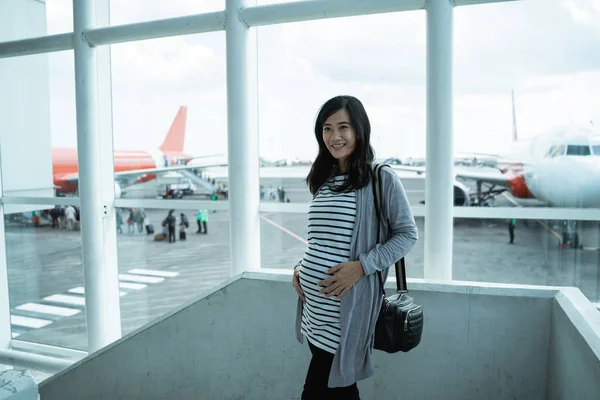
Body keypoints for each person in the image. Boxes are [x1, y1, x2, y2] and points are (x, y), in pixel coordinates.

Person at [291, 95, 418, 399]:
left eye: (343, 127)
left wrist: (361, 267)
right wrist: (300, 268)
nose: (334, 137)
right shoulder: (325, 178)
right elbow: (322, 237)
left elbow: (407, 234)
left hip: (345, 317)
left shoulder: (380, 177)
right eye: (326, 128)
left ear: (359, 130)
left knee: (322, 390)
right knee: (339, 391)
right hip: (315, 313)